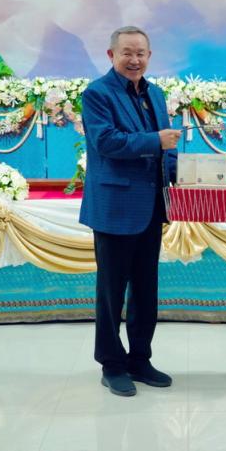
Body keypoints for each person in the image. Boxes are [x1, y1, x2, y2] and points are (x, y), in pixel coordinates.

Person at [80, 26, 181, 396]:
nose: (134, 59)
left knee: (145, 289)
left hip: (151, 208)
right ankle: (111, 364)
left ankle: (140, 359)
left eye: (141, 53)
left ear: (149, 56)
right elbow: (106, 142)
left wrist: (180, 176)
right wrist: (156, 141)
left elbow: (167, 149)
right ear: (111, 55)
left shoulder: (156, 94)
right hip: (115, 208)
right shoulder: (97, 93)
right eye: (127, 53)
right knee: (111, 293)